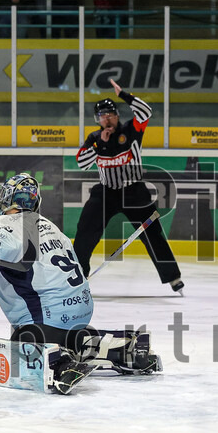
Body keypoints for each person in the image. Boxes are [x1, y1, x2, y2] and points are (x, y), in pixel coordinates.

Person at [0, 173, 160, 394]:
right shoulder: (49, 225)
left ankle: (60, 362)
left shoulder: (4, 224)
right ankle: (118, 347)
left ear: (5, 198)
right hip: (81, 312)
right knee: (63, 333)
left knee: (23, 338)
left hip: (46, 322)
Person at [73, 77, 183, 294]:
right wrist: (100, 145)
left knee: (153, 234)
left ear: (117, 116)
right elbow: (81, 163)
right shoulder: (94, 138)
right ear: (97, 120)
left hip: (134, 192)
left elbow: (146, 111)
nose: (106, 120)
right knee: (85, 231)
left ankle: (173, 278)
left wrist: (123, 94)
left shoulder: (131, 130)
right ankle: (77, 274)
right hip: (106, 192)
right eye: (102, 117)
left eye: (110, 115)